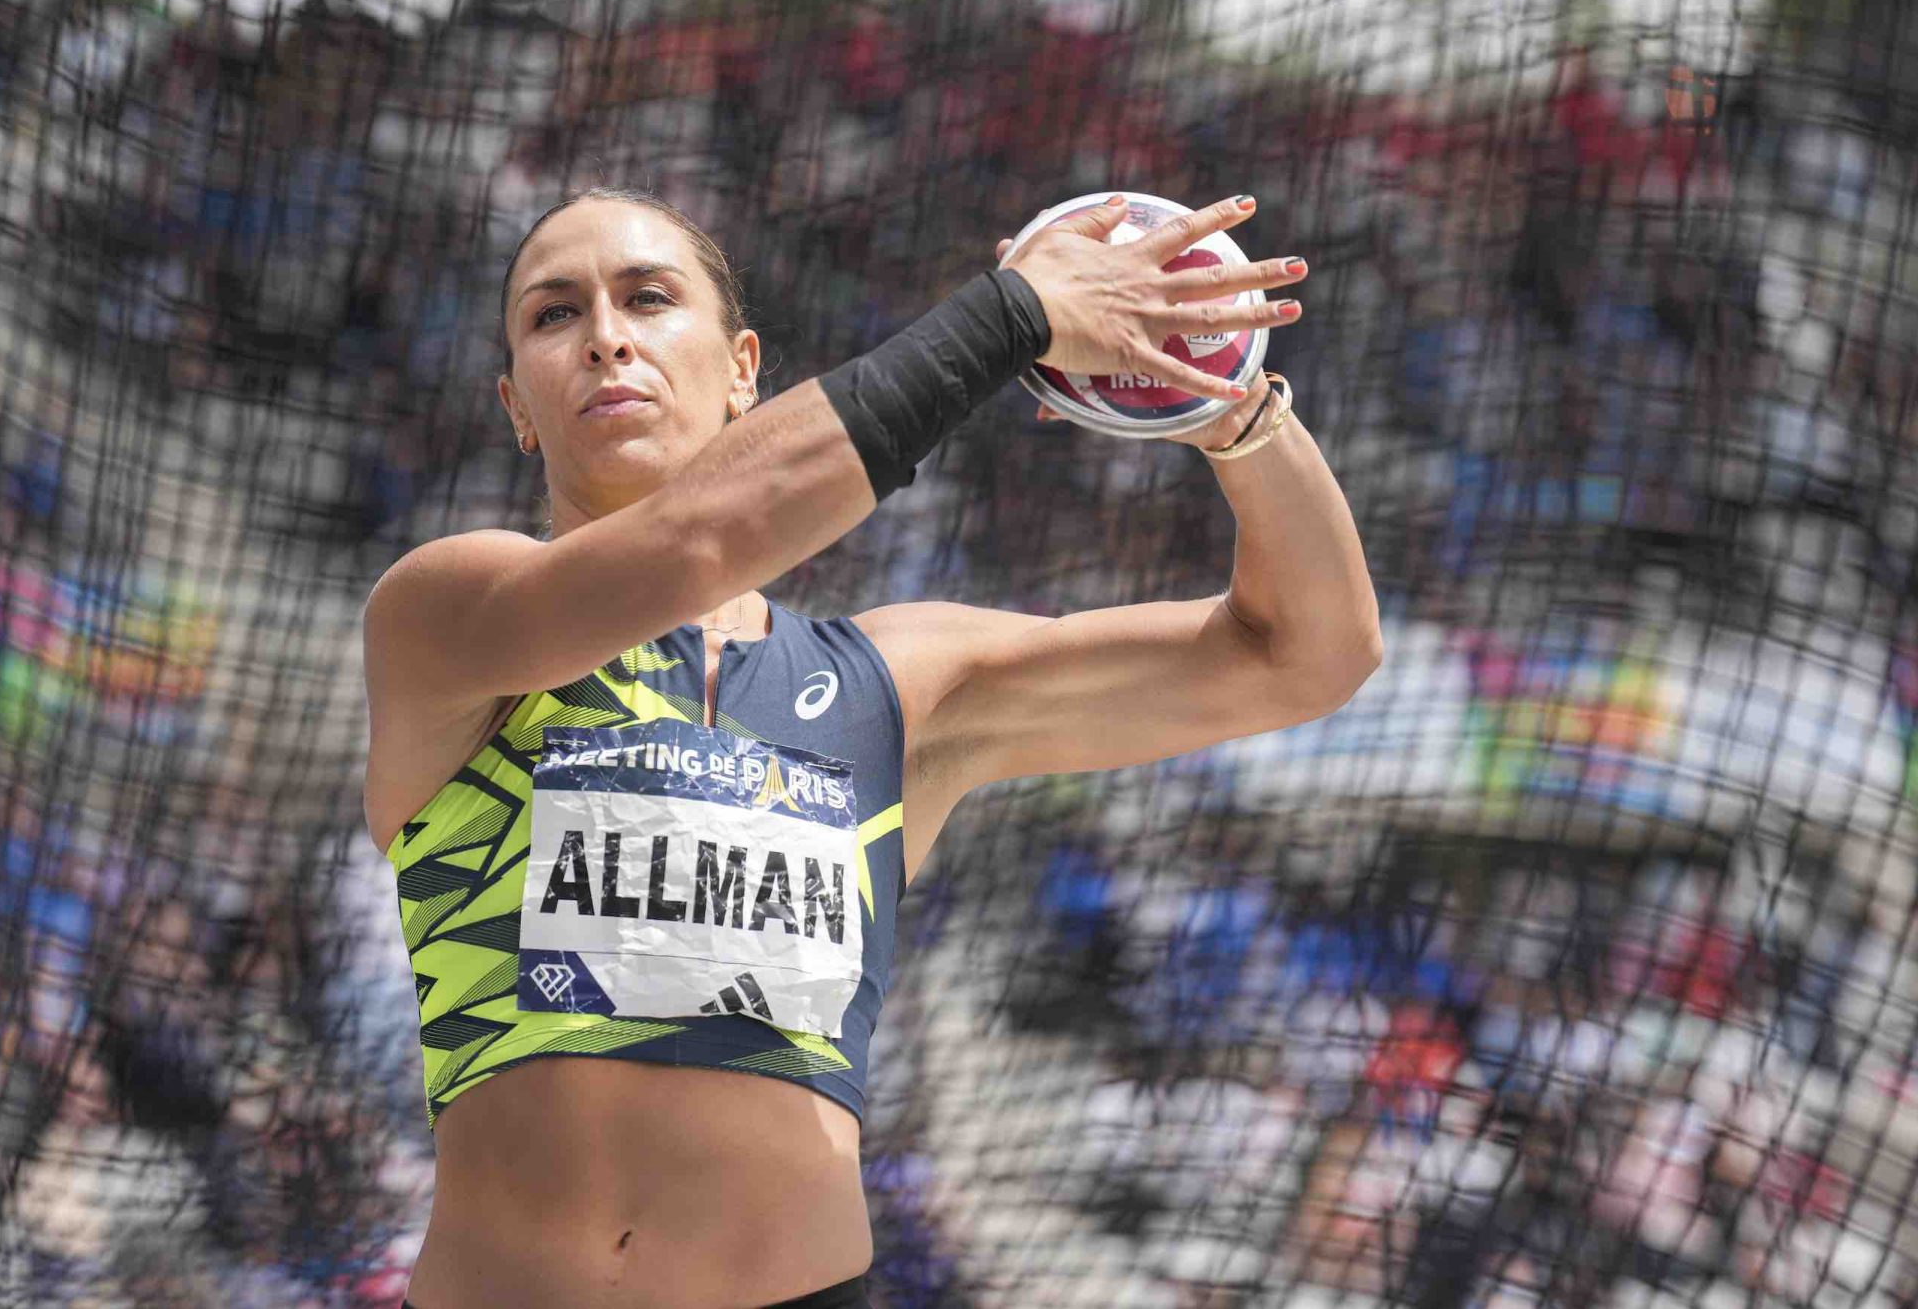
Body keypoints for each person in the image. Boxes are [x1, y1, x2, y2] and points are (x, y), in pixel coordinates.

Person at [362, 185, 1380, 1309]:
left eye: (648, 298)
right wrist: (1013, 315)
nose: (605, 334)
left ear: (743, 368)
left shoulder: (897, 686)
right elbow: (701, 540)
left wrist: (1226, 402)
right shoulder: (448, 617)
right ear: (517, 406)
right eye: (553, 316)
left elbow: (1308, 652)